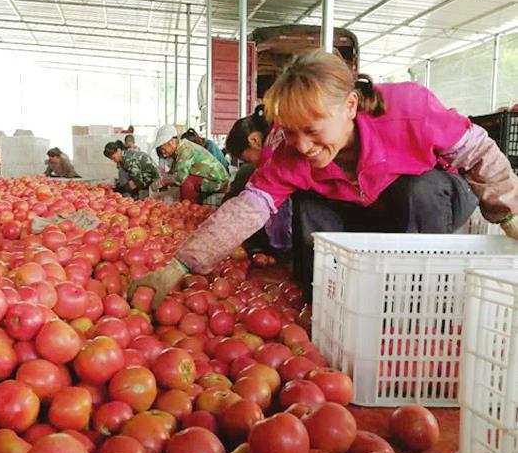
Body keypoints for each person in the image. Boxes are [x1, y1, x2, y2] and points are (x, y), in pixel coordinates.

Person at [131, 49, 518, 308]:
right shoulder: (290, 152)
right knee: (308, 202)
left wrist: (510, 214)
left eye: (312, 130)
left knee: (418, 189)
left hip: (434, 201)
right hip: (368, 211)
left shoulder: (408, 109)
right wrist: (179, 266)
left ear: (350, 105)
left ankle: (419, 300)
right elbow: (248, 208)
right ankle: (327, 303)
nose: (301, 145)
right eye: (290, 131)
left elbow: (478, 152)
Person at [224, 106, 292, 255]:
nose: (251, 163)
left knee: (247, 174)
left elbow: (273, 201)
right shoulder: (278, 131)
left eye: (246, 158)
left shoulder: (274, 148)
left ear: (254, 140)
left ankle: (281, 249)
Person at [151, 124, 229, 203]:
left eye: (163, 149)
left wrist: (163, 182)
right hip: (212, 179)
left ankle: (188, 208)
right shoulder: (180, 150)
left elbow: (180, 178)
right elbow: (174, 172)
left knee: (186, 181)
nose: (163, 153)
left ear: (171, 142)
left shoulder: (185, 150)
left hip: (218, 181)